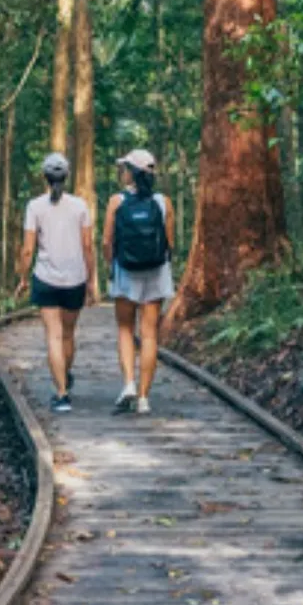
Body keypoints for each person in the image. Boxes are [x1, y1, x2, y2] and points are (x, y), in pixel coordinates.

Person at [17, 152, 96, 413]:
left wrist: (22, 278)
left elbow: (28, 249)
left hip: (45, 278)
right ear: (67, 176)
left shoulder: (35, 206)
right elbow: (88, 247)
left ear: (44, 177)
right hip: (74, 279)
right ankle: (65, 375)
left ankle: (61, 393)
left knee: (53, 335)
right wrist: (91, 281)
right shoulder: (80, 206)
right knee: (68, 334)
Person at [103, 148, 175, 416]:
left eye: (124, 168)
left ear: (131, 173)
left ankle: (129, 385)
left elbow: (106, 241)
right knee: (149, 334)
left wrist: (110, 264)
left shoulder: (116, 201)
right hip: (157, 271)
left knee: (124, 328)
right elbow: (170, 241)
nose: (121, 172)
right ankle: (144, 398)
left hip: (126, 271)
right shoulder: (163, 202)